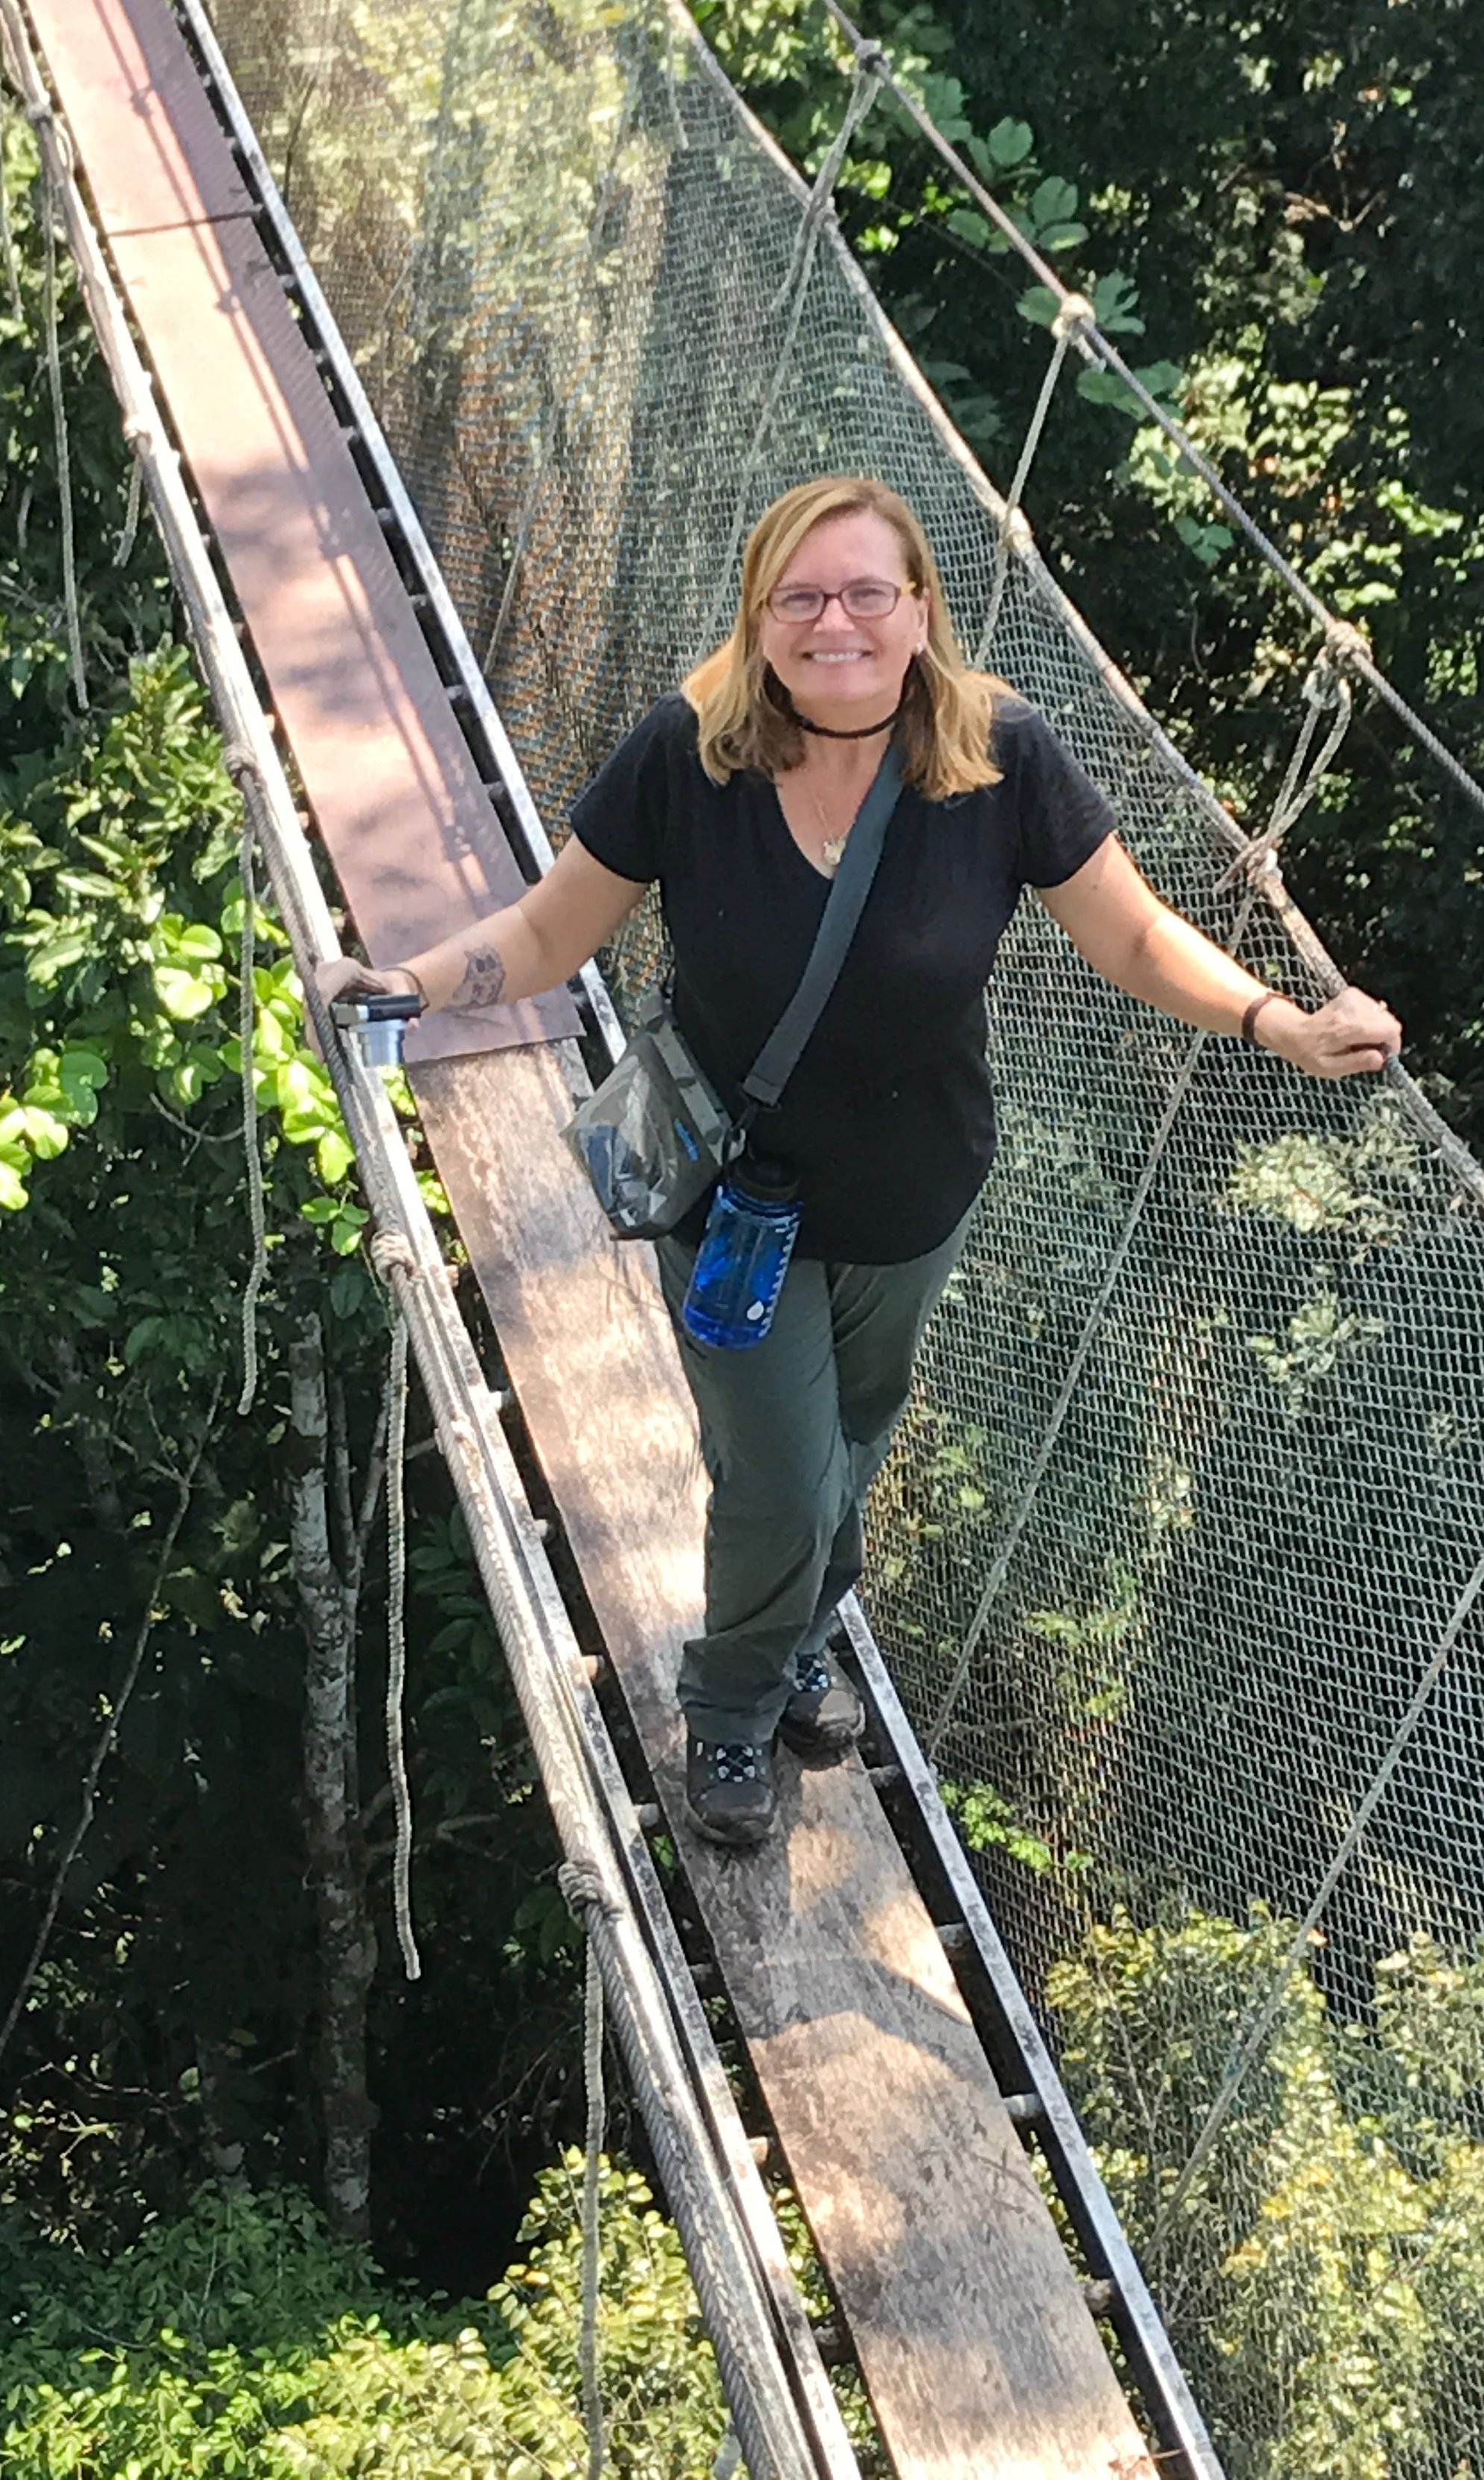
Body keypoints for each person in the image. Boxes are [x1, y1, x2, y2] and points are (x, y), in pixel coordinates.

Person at [319, 475, 1401, 1848]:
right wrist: (410, 982)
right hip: (730, 1203)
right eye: (802, 597)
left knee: (847, 1447)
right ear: (761, 618)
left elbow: (1128, 935)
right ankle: (731, 1707)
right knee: (779, 1473)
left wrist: (1278, 1021)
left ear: (921, 610)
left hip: (913, 1201)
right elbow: (548, 936)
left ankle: (799, 1637)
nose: (837, 622)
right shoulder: (689, 755)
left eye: (866, 592)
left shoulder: (996, 756)